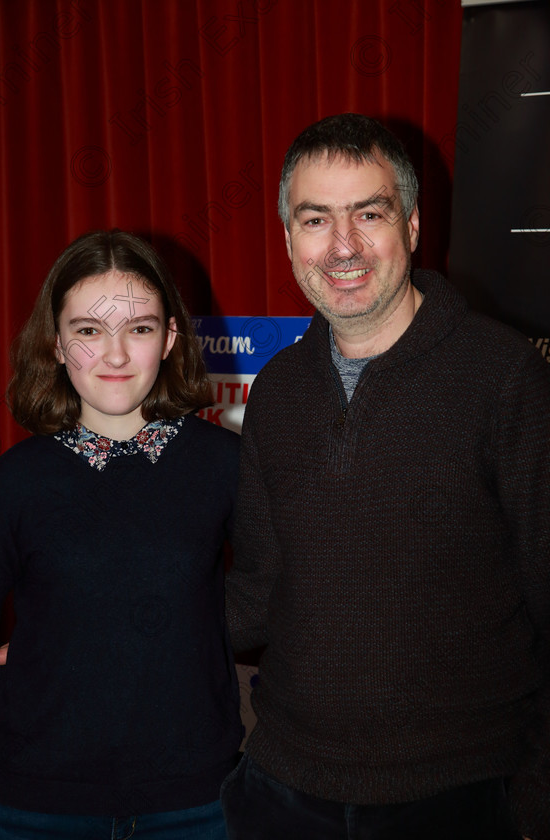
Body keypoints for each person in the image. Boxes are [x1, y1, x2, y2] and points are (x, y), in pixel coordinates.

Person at [220, 114, 549, 839]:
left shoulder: (505, 378)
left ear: (413, 224)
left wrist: (533, 802)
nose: (342, 246)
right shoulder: (275, 390)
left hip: (457, 798)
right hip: (282, 790)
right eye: (316, 219)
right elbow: (254, 594)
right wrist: (82, 630)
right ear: (287, 239)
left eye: (369, 214)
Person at [0, 229, 242, 838]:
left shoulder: (226, 463)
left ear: (171, 338)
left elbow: (283, 599)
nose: (116, 355)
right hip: (37, 805)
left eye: (140, 328)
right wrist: (32, 662)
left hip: (196, 802)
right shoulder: (15, 480)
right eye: (88, 331)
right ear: (55, 343)